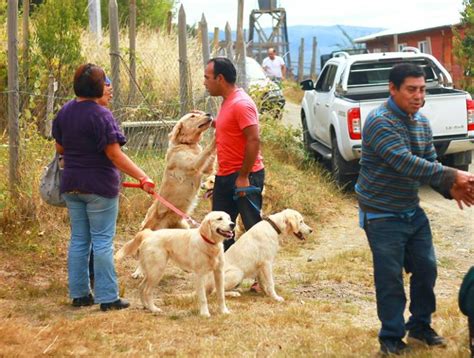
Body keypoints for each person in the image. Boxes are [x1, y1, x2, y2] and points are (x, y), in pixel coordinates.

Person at [355, 62, 474, 355]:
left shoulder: (420, 122)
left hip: (410, 209)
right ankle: (391, 339)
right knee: (390, 277)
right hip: (381, 213)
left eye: (422, 89)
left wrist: (450, 188)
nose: (418, 96)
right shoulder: (379, 121)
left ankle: (420, 326)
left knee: (427, 269)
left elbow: (429, 165)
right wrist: (454, 175)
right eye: (411, 89)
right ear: (393, 89)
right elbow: (405, 162)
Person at [52, 63, 155, 312]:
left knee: (79, 239)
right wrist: (143, 177)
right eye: (105, 82)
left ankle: (79, 294)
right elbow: (114, 154)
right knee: (101, 241)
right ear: (97, 87)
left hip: (72, 185)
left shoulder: (65, 111)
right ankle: (108, 297)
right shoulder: (101, 115)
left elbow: (60, 148)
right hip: (99, 187)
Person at [203, 57, 264, 253]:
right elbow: (230, 128)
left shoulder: (241, 103)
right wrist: (208, 122)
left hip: (245, 175)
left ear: (220, 78)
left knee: (254, 228)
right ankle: (227, 273)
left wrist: (244, 176)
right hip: (225, 175)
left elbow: (253, 139)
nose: (204, 82)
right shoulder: (228, 102)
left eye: (207, 77)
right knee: (220, 229)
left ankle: (260, 279)